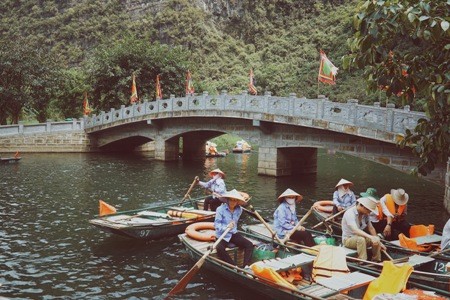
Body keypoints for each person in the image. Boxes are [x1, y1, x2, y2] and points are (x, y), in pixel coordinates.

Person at [214, 189, 253, 268]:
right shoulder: (220, 209)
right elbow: (217, 225)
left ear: (237, 202)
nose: (233, 202)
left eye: (235, 200)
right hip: (222, 234)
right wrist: (226, 227)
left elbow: (236, 221)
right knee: (219, 248)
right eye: (231, 200)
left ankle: (246, 266)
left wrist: (232, 227)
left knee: (249, 245)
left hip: (233, 233)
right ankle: (234, 267)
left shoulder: (239, 209)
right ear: (227, 200)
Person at [342, 197, 386, 261]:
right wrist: (371, 237)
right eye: (369, 210)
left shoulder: (365, 215)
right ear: (362, 206)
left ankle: (376, 260)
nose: (369, 213)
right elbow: (355, 230)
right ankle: (362, 260)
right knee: (361, 239)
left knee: (376, 238)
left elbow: (371, 228)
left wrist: (377, 240)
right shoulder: (350, 213)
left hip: (360, 238)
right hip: (348, 239)